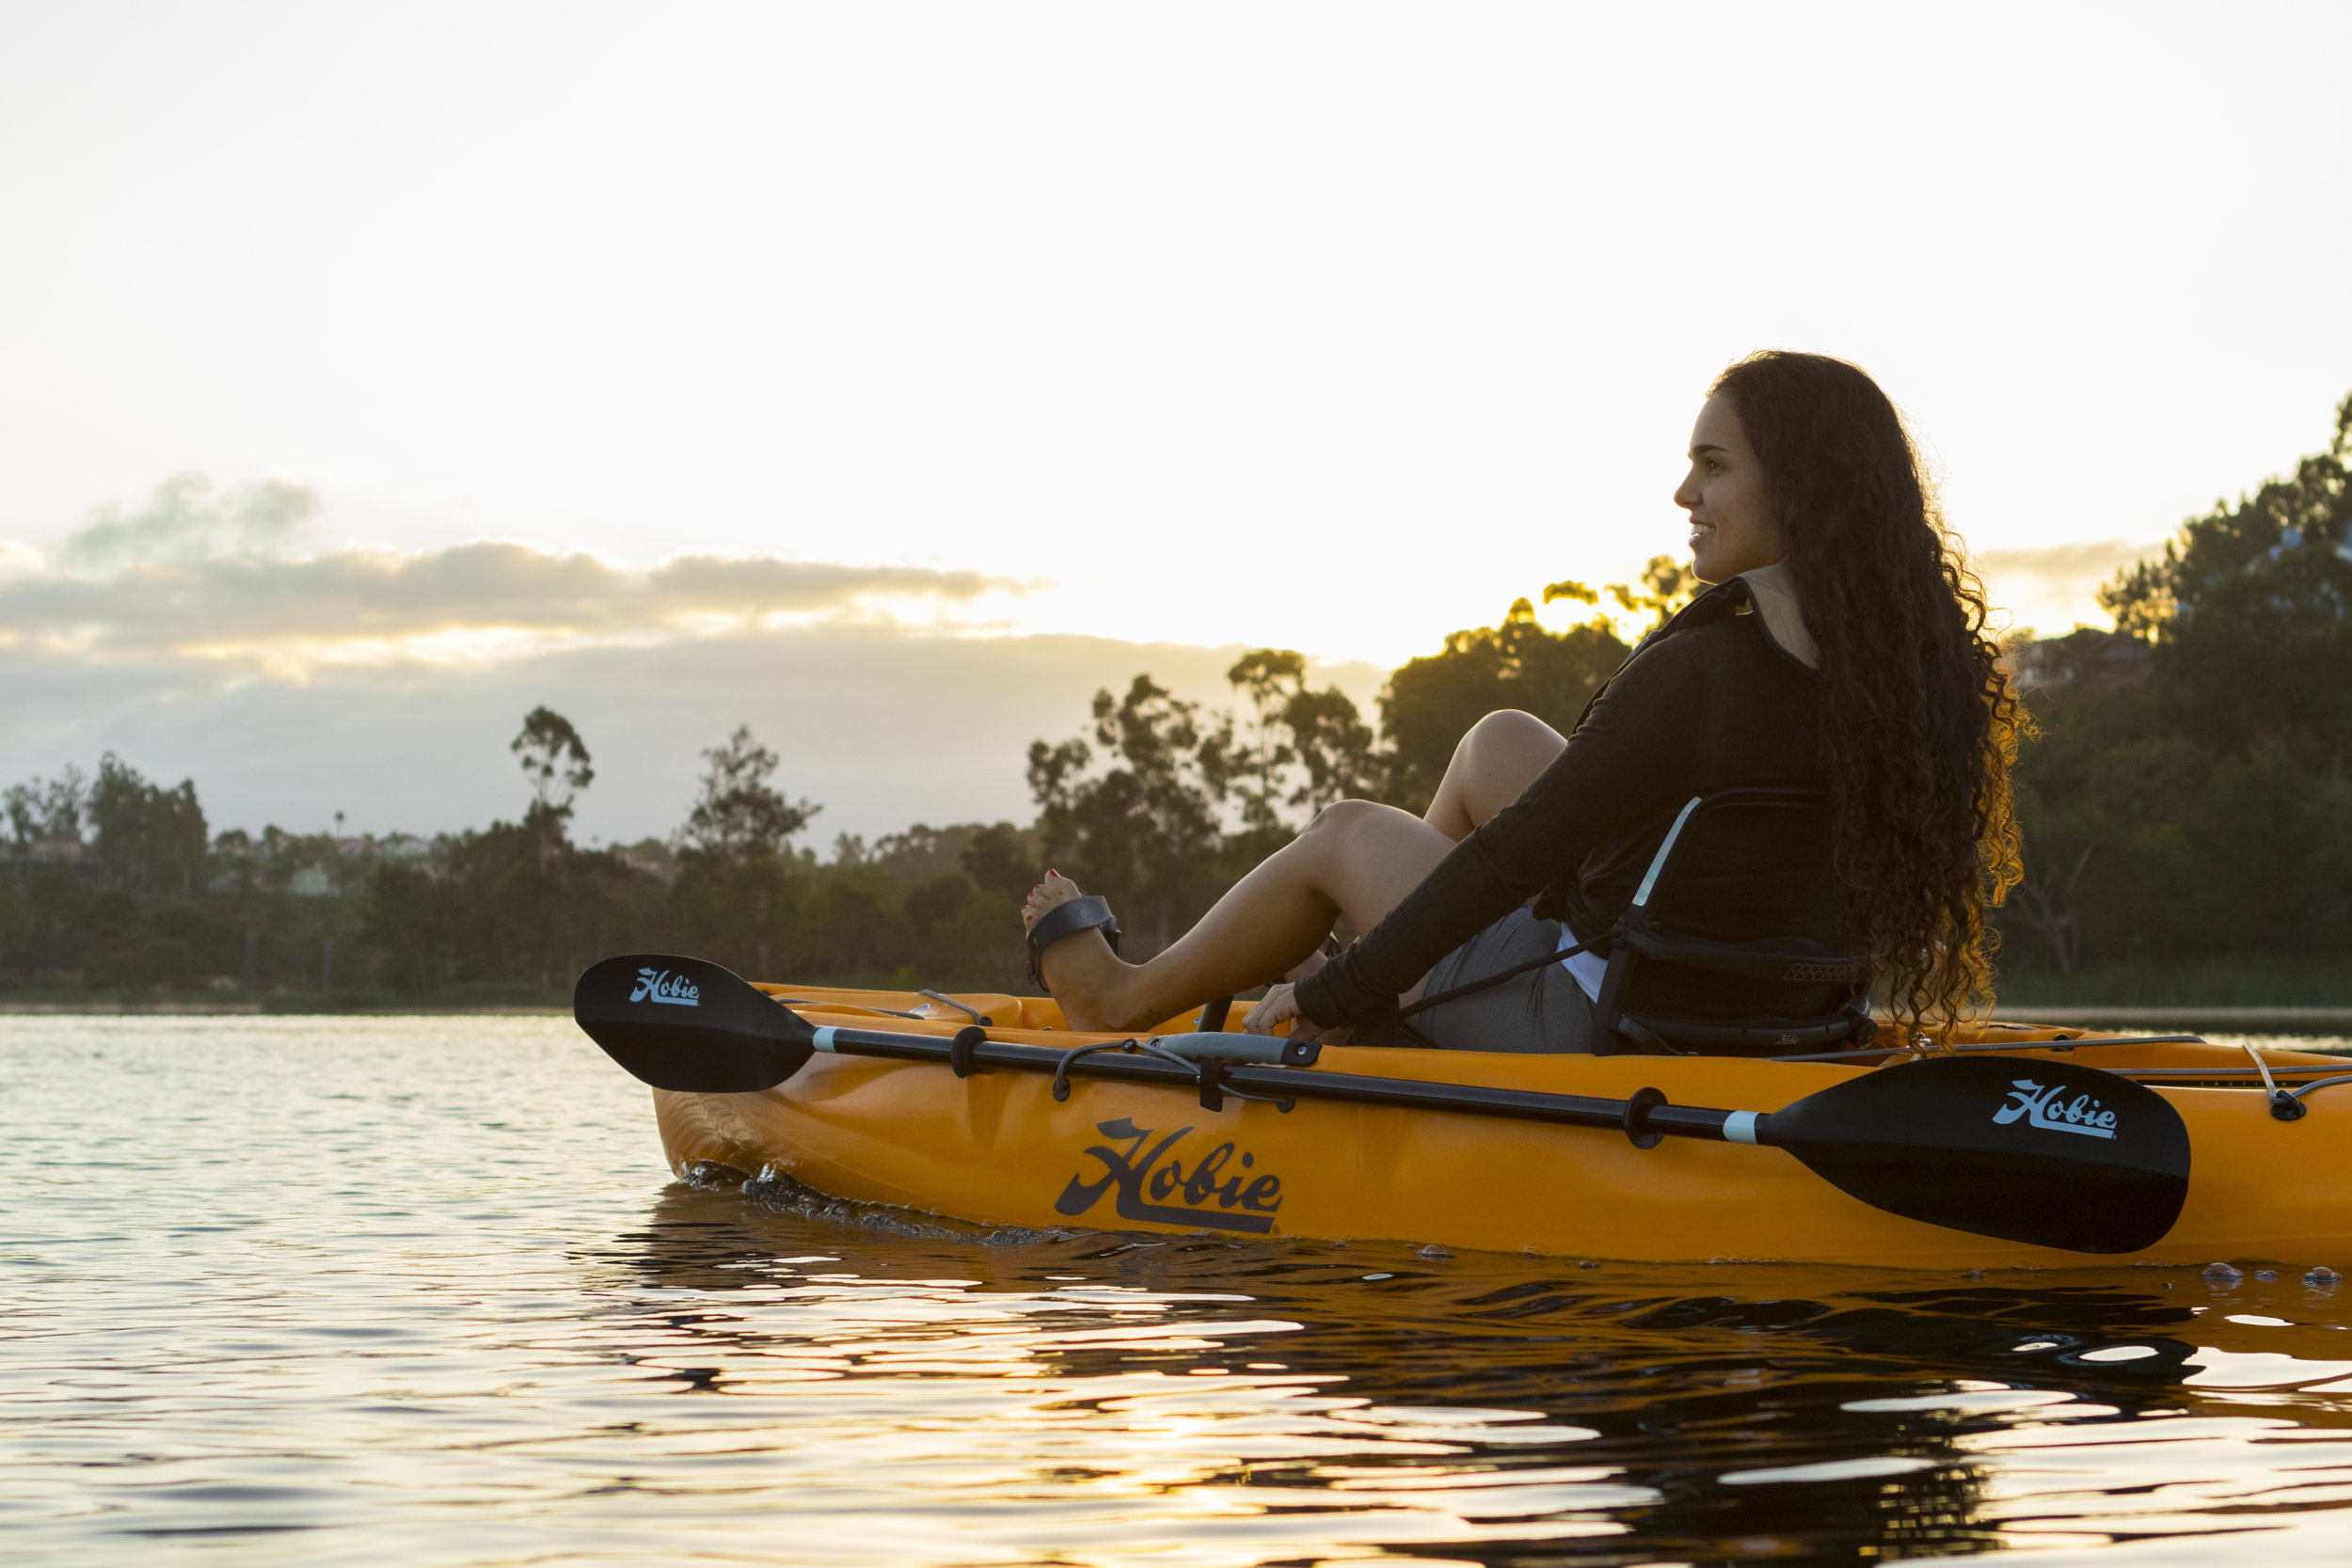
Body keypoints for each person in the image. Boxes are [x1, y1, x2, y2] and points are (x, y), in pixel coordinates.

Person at [1023, 350, 2024, 1051]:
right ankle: (1401, 999)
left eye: (1712, 467)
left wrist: (1333, 989)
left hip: (1610, 1019)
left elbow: (1512, 858)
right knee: (1497, 740)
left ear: (1800, 491)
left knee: (1344, 834)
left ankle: (1120, 996)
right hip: (1766, 1006)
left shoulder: (1705, 672)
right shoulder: (1908, 676)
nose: (1683, 494)